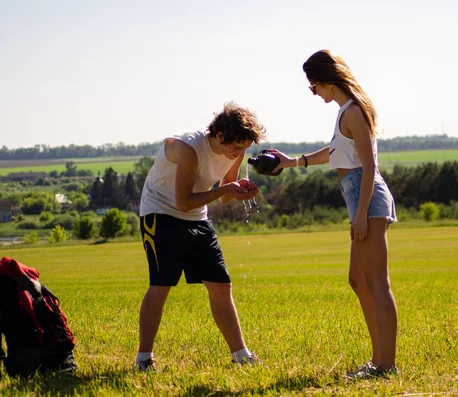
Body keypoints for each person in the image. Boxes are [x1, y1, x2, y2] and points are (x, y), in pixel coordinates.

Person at [269, 50, 398, 378]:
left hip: (366, 197)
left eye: (313, 87)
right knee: (358, 280)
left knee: (378, 283)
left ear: (326, 81)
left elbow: (369, 167)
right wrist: (292, 162)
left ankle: (386, 366)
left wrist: (360, 214)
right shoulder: (346, 111)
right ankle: (377, 360)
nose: (314, 93)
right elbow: (337, 152)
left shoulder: (353, 111)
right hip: (357, 196)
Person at [134, 102, 264, 371]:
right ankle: (143, 359)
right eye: (236, 147)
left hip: (197, 217)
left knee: (221, 285)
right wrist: (225, 189)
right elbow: (183, 201)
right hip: (160, 213)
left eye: (244, 148)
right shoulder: (189, 147)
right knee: (161, 285)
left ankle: (241, 356)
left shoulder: (235, 151)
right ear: (219, 136)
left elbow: (225, 196)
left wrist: (238, 189)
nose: (239, 153)